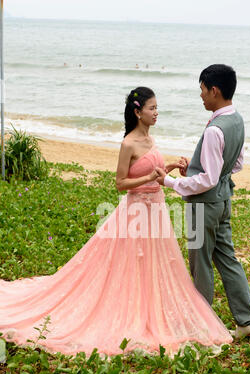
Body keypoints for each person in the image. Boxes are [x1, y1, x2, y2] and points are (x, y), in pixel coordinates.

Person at [0, 86, 233, 357]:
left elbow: (151, 169)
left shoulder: (150, 139)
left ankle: (151, 307)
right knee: (129, 264)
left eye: (157, 107)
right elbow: (121, 183)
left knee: (155, 264)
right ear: (138, 112)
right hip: (135, 213)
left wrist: (170, 167)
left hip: (156, 211)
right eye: (152, 108)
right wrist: (148, 179)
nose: (156, 113)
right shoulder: (129, 143)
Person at [156, 65, 250, 339]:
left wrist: (170, 183)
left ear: (214, 90)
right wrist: (197, 166)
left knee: (200, 263)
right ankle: (247, 320)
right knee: (228, 259)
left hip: (204, 205)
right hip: (224, 201)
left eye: (202, 90)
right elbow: (234, 164)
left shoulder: (215, 129)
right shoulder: (236, 120)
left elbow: (208, 180)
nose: (201, 96)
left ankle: (201, 326)